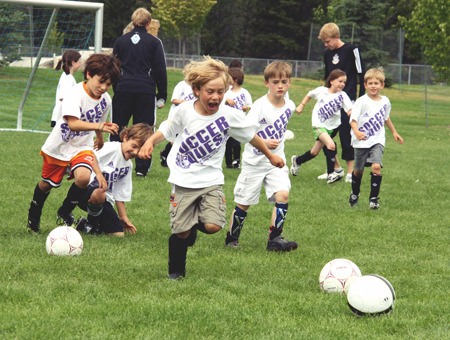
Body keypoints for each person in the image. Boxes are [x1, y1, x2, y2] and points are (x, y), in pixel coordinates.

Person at [138, 56, 285, 280]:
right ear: (197, 90)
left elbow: (250, 136)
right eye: (210, 91)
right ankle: (176, 272)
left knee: (214, 225)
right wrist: (150, 142)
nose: (216, 97)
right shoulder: (184, 111)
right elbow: (168, 129)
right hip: (183, 180)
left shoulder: (228, 115)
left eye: (221, 91)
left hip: (211, 181)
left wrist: (270, 155)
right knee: (181, 232)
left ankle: (193, 224)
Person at [27, 53, 121, 233]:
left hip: (81, 147)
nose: (104, 87)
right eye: (100, 81)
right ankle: (33, 216)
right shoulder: (75, 94)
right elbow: (73, 123)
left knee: (84, 177)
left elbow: (98, 121)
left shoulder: (106, 100)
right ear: (88, 75)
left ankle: (64, 211)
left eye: (108, 84)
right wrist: (100, 125)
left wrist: (100, 138)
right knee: (46, 184)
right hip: (59, 146)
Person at [224, 61, 298, 251]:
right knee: (244, 203)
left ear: (289, 83)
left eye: (284, 81)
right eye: (275, 82)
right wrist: (263, 143)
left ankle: (275, 239)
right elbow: (246, 133)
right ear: (267, 83)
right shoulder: (259, 107)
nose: (280, 86)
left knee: (283, 195)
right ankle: (231, 238)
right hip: (254, 162)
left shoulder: (289, 106)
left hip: (276, 162)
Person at [112, 7, 168, 178]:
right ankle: (141, 168)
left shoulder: (121, 41)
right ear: (149, 23)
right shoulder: (154, 42)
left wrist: (117, 87)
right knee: (144, 128)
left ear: (133, 21)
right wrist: (162, 94)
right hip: (145, 90)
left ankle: (114, 161)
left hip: (123, 89)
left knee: (118, 126)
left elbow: (113, 67)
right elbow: (160, 68)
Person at [75, 123, 153, 236]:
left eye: (139, 150)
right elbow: (90, 156)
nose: (135, 152)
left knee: (118, 234)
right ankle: (91, 224)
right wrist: (98, 174)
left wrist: (123, 217)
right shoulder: (110, 148)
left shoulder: (128, 166)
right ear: (126, 137)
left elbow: (120, 193)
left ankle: (84, 225)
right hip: (86, 192)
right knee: (99, 192)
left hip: (106, 201)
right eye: (134, 146)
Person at [348, 68, 403, 209]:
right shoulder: (361, 102)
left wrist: (394, 132)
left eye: (376, 83)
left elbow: (386, 118)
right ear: (365, 85)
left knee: (376, 166)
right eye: (370, 83)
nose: (373, 86)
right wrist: (356, 131)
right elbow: (353, 120)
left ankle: (373, 199)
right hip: (361, 141)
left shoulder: (385, 101)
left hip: (377, 140)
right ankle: (355, 193)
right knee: (358, 171)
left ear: (382, 85)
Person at [318, 22, 365, 183]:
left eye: (328, 41)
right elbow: (327, 77)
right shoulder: (327, 54)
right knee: (325, 135)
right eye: (324, 42)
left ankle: (351, 172)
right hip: (331, 102)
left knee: (346, 135)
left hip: (349, 100)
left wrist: (360, 99)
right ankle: (333, 169)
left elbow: (361, 73)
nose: (326, 44)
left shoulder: (352, 50)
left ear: (336, 37)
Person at [290, 69, 353, 184]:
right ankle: (331, 174)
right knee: (331, 145)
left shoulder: (343, 96)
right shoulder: (321, 91)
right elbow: (309, 94)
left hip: (332, 127)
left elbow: (349, 110)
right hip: (318, 124)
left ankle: (297, 160)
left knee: (314, 152)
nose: (343, 84)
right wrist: (301, 105)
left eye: (344, 82)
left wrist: (354, 117)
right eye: (340, 81)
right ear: (332, 81)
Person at [159, 76, 196, 167]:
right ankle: (166, 155)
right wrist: (185, 102)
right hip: (177, 115)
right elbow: (174, 100)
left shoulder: (198, 86)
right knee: (174, 139)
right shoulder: (181, 85)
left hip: (190, 116)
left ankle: (169, 156)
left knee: (183, 138)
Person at [223, 66, 252, 168]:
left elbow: (250, 104)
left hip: (239, 121)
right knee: (228, 143)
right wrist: (226, 101)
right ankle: (228, 163)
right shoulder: (227, 92)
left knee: (236, 142)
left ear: (235, 79)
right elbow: (221, 103)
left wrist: (247, 107)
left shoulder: (244, 92)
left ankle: (237, 161)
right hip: (228, 121)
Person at [50, 50, 82, 127]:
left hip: (61, 116)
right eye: (79, 61)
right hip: (61, 117)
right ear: (73, 63)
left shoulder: (66, 76)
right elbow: (63, 98)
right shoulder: (68, 78)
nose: (80, 64)